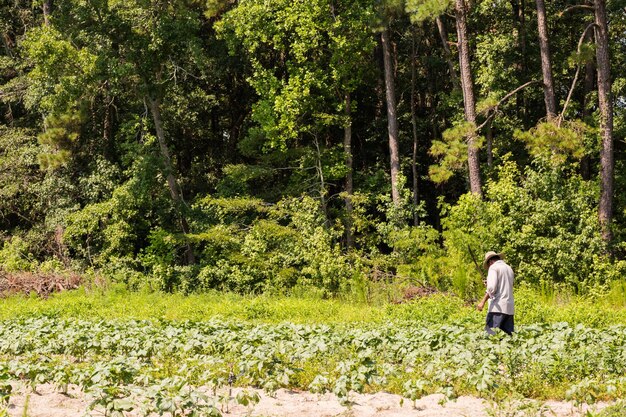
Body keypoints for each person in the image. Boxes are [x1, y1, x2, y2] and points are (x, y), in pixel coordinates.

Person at [476, 251, 514, 335]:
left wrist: (482, 302)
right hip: (509, 308)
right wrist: (489, 283)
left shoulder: (493, 267)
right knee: (508, 338)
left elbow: (491, 288)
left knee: (492, 336)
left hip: (498, 308)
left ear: (490, 261)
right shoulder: (508, 268)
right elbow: (503, 285)